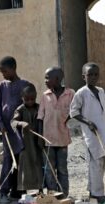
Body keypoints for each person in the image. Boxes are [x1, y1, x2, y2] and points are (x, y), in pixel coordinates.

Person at [70, 62, 105, 204]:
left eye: (96, 74)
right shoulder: (81, 93)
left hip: (102, 132)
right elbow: (73, 112)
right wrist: (87, 122)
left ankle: (92, 191)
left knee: (102, 161)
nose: (93, 77)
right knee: (95, 162)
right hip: (91, 134)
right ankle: (99, 195)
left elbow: (104, 113)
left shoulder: (101, 91)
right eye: (90, 74)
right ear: (83, 76)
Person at [0, 56, 30, 204]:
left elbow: (28, 107)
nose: (3, 74)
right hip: (7, 132)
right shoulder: (2, 86)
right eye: (1, 72)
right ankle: (3, 191)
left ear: (13, 68)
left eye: (4, 71)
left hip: (19, 131)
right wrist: (0, 124)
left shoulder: (24, 85)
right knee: (8, 161)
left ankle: (18, 190)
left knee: (20, 160)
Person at [37, 67, 74, 196]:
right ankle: (52, 195)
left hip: (63, 139)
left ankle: (64, 194)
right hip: (48, 140)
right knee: (49, 169)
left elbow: (74, 112)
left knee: (62, 169)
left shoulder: (70, 94)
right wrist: (41, 138)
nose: (45, 80)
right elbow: (40, 117)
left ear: (57, 79)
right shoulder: (45, 95)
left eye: (48, 78)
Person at [11, 84, 43, 194]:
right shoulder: (20, 109)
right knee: (25, 166)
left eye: (32, 99)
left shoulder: (39, 108)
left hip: (37, 142)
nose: (30, 101)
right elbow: (13, 122)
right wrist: (21, 123)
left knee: (38, 164)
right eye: (27, 99)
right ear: (22, 98)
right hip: (25, 143)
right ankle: (23, 191)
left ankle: (40, 189)